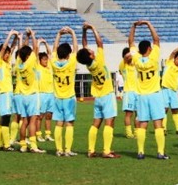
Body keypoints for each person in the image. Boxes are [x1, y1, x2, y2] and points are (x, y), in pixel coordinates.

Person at [77, 23, 120, 158]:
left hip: (98, 97)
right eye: (91, 52)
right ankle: (106, 150)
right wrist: (93, 28)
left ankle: (90, 150)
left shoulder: (89, 65)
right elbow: (100, 43)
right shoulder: (99, 61)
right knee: (110, 122)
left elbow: (84, 47)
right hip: (107, 95)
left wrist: (84, 32)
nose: (92, 51)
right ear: (90, 56)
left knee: (96, 123)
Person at [128, 20, 168, 160]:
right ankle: (160, 152)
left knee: (142, 123)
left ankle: (140, 152)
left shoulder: (137, 59)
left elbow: (130, 42)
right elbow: (157, 39)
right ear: (149, 49)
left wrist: (133, 27)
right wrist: (148, 24)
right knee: (158, 123)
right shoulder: (154, 57)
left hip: (142, 95)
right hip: (155, 95)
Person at [15, 28, 45, 153]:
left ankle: (23, 145)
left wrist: (26, 38)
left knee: (24, 122)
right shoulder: (30, 62)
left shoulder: (19, 64)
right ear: (28, 56)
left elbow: (23, 49)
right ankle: (33, 146)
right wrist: (32, 35)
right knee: (33, 121)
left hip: (23, 96)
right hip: (32, 95)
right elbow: (35, 49)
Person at [51, 26, 79, 157]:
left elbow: (53, 49)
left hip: (57, 97)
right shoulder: (71, 62)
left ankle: (58, 150)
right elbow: (76, 48)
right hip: (69, 97)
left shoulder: (53, 63)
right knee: (69, 123)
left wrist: (58, 34)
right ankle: (67, 150)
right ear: (68, 54)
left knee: (58, 123)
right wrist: (72, 33)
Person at [0, 29, 19, 151]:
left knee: (3, 118)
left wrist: (16, 38)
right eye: (5, 53)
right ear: (1, 53)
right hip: (5, 93)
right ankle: (6, 145)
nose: (8, 54)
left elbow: (12, 48)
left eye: (8, 53)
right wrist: (9, 35)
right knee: (6, 118)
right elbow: (4, 48)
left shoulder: (7, 63)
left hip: (8, 93)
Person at [35, 39, 55, 143]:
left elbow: (50, 54)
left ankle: (48, 134)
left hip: (51, 94)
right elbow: (35, 53)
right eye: (44, 60)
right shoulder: (37, 67)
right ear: (40, 60)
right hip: (41, 94)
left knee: (49, 115)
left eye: (46, 59)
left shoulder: (49, 67)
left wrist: (46, 43)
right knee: (40, 116)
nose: (46, 61)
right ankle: (38, 134)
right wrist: (38, 43)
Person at [119, 47, 139, 139]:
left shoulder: (136, 64)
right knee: (129, 114)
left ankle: (137, 133)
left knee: (138, 114)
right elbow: (127, 57)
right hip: (129, 92)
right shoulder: (123, 64)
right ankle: (128, 133)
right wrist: (133, 52)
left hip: (138, 92)